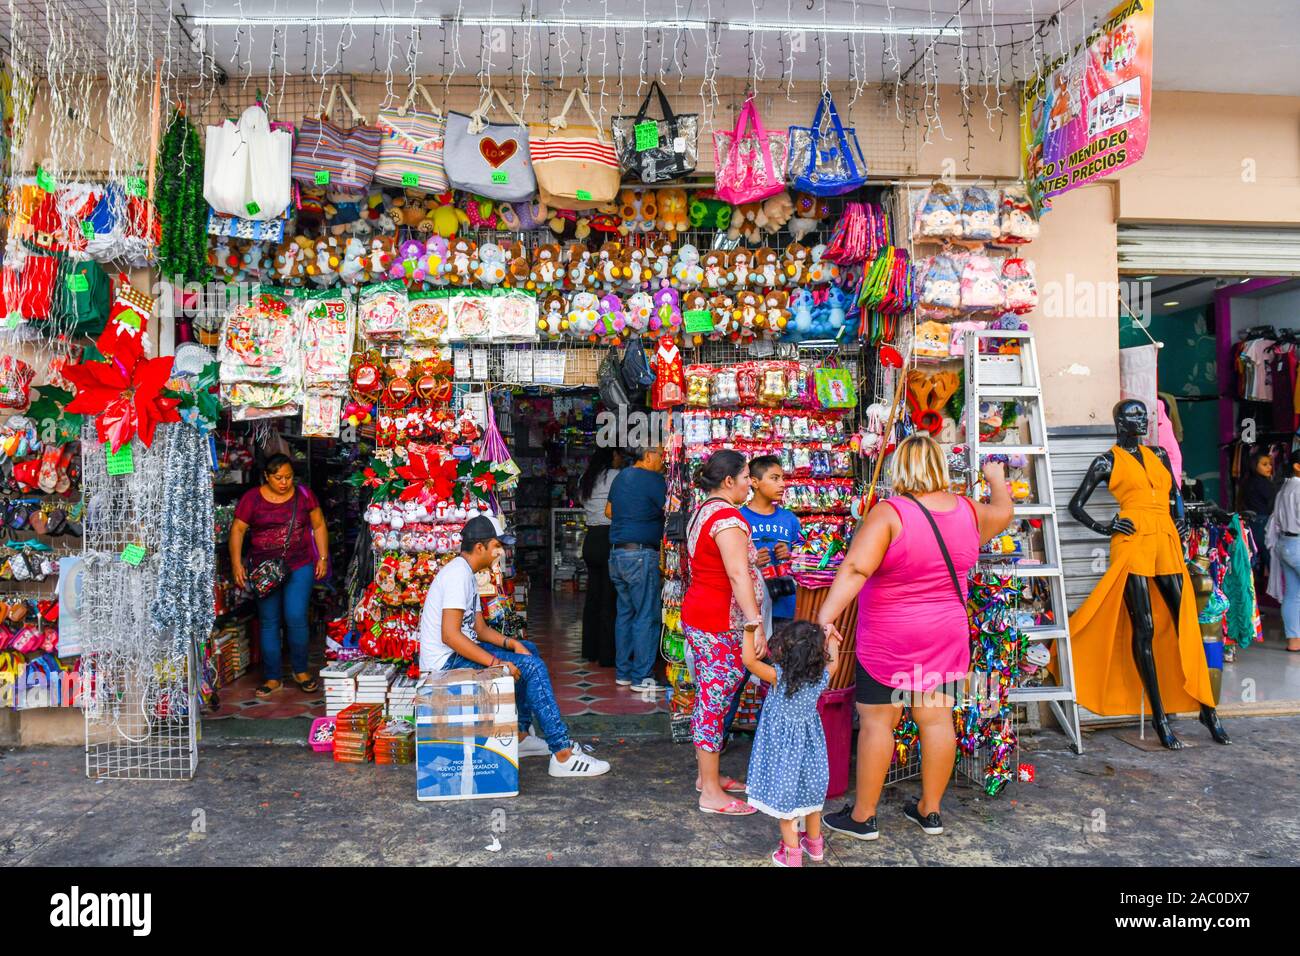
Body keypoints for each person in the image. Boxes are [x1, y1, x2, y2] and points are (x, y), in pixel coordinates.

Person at [817, 434, 1012, 840]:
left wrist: (826, 616)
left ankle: (863, 817)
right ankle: (930, 811)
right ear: (939, 466)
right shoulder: (968, 511)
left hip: (891, 638)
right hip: (946, 634)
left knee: (877, 723)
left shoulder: (890, 513)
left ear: (898, 468)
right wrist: (996, 479)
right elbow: (1004, 513)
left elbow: (855, 569)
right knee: (937, 720)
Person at [417, 515, 610, 778]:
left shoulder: (467, 574)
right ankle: (562, 754)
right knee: (532, 668)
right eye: (497, 545)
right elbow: (450, 635)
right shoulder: (456, 576)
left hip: (456, 655)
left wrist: (513, 644)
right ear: (480, 547)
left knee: (529, 652)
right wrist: (497, 664)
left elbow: (480, 629)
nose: (501, 552)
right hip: (446, 663)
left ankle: (520, 735)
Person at [681, 450, 766, 816]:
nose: (751, 483)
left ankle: (708, 777)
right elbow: (737, 574)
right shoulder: (727, 518)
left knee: (710, 697)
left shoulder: (703, 511)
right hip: (720, 622)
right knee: (714, 704)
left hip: (704, 615)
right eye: (747, 476)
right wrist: (754, 623)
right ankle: (711, 793)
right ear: (728, 481)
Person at [230, 453, 330, 698]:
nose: (284, 482)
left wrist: (323, 557)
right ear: (266, 476)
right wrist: (236, 564)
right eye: (278, 478)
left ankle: (301, 671)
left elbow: (318, 525)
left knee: (296, 616)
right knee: (269, 621)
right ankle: (273, 677)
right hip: (264, 570)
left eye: (288, 477)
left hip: (299, 564)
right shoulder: (251, 499)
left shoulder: (304, 495)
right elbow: (238, 530)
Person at [741, 619, 839, 867]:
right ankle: (815, 847)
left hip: (783, 754)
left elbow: (749, 661)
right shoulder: (820, 678)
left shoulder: (779, 677)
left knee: (788, 810)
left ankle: (791, 855)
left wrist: (748, 632)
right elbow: (835, 662)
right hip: (811, 752)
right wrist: (833, 639)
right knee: (811, 803)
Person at [606, 443, 666, 692]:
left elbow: (609, 511)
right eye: (661, 456)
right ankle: (642, 678)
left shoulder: (621, 477)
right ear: (649, 456)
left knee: (625, 614)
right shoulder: (652, 479)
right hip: (641, 555)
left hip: (618, 554)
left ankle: (624, 673)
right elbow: (670, 509)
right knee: (645, 616)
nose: (664, 461)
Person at [740, 455, 803, 627]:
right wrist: (751, 561)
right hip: (751, 608)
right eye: (775, 478)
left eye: (783, 478)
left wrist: (791, 556)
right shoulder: (739, 518)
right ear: (755, 482)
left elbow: (805, 560)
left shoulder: (789, 519)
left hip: (785, 608)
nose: (782, 484)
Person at [578, 447, 623, 666]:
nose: (620, 459)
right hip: (609, 538)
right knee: (609, 598)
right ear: (611, 457)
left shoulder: (585, 478)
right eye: (617, 455)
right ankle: (607, 655)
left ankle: (589, 650)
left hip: (591, 539)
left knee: (592, 597)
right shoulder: (616, 476)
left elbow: (581, 502)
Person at [1265, 449, 1300, 652]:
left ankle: (1294, 641)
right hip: (1297, 544)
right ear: (1297, 466)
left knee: (1293, 594)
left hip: (1285, 544)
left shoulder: (1285, 488)